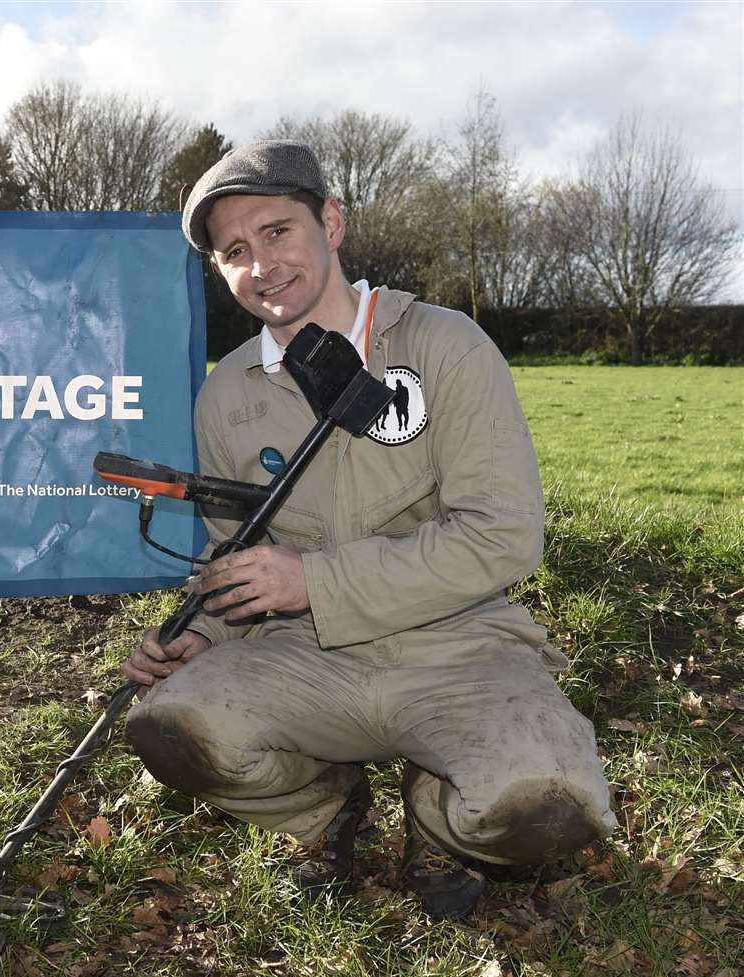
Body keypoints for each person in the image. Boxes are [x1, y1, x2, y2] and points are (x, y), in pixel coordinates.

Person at [121, 140, 615, 920]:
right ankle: (323, 813)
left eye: (277, 232)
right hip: (301, 654)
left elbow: (502, 536)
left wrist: (313, 580)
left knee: (546, 807)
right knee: (168, 728)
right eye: (234, 252)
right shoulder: (225, 395)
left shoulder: (443, 345)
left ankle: (437, 818)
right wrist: (204, 632)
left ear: (331, 221)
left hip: (458, 648)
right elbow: (235, 551)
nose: (261, 265)